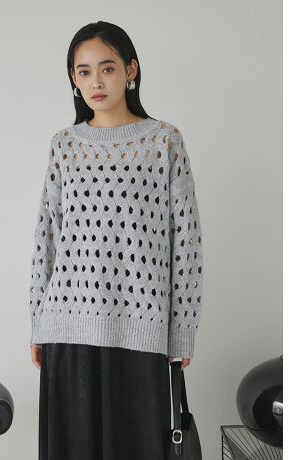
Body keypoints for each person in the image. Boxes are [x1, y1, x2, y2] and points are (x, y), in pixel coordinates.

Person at [28, 20, 204, 460]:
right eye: (83, 72)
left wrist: (182, 331)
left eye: (107, 68)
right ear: (73, 80)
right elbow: (46, 238)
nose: (96, 82)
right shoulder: (64, 146)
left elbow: (186, 242)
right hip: (68, 329)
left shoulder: (164, 141)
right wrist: (37, 323)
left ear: (131, 70)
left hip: (140, 327)